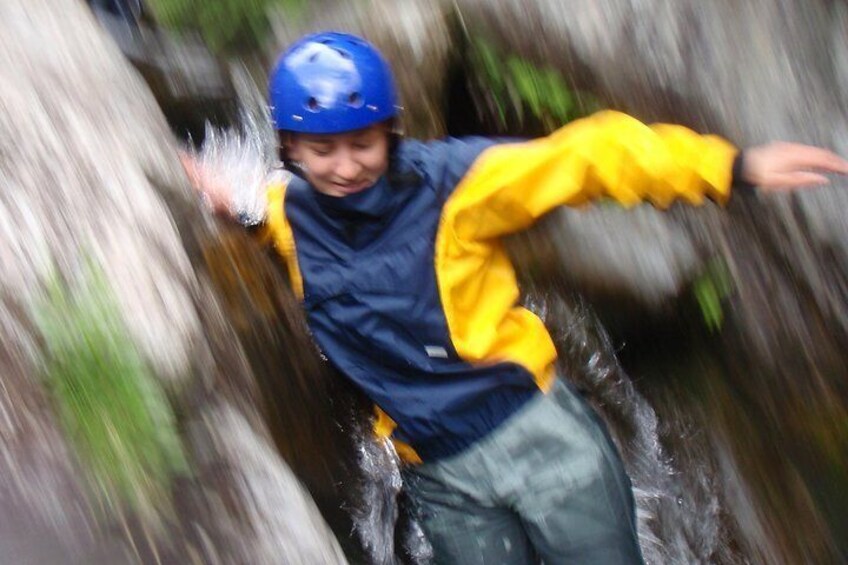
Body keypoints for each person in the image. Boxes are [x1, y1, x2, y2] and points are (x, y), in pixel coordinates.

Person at [187, 31, 848, 564]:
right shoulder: (287, 212)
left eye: (363, 143)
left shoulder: (456, 186)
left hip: (538, 438)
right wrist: (214, 192)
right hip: (438, 476)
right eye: (322, 150)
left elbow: (586, 158)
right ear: (291, 149)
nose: (346, 165)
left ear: (390, 133)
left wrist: (728, 168)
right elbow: (253, 199)